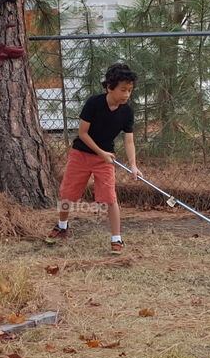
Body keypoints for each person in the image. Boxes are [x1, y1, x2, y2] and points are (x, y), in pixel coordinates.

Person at [45, 63, 141, 254]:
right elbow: (83, 134)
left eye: (130, 90)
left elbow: (129, 141)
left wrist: (133, 165)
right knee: (67, 194)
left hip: (105, 160)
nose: (126, 94)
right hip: (81, 154)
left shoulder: (127, 112)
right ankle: (62, 225)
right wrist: (101, 153)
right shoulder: (94, 103)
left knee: (109, 198)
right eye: (123, 90)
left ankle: (117, 238)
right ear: (109, 87)